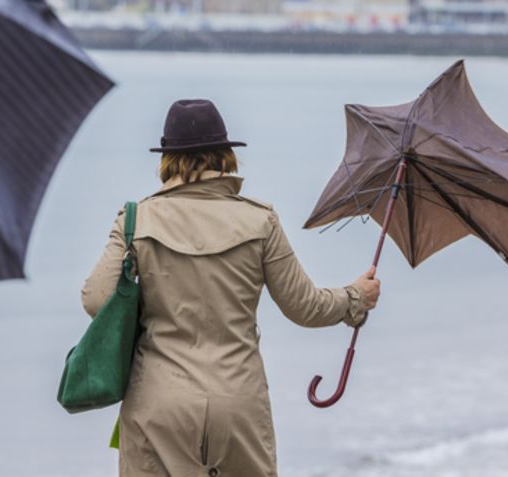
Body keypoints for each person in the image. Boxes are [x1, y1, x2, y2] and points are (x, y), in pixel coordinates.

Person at [81, 99, 381, 477]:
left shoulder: (136, 221)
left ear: (167, 160)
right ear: (226, 156)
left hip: (157, 401)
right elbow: (304, 307)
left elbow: (96, 299)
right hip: (237, 400)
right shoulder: (259, 220)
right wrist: (356, 297)